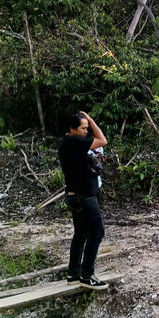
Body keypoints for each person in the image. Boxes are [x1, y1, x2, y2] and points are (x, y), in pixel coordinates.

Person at [58, 111, 108, 289]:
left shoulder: (68, 142)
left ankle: (74, 273)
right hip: (83, 197)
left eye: (87, 128)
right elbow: (102, 140)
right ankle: (87, 276)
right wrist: (93, 120)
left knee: (81, 233)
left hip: (75, 195)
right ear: (72, 129)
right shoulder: (74, 141)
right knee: (97, 232)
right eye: (83, 128)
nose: (86, 131)